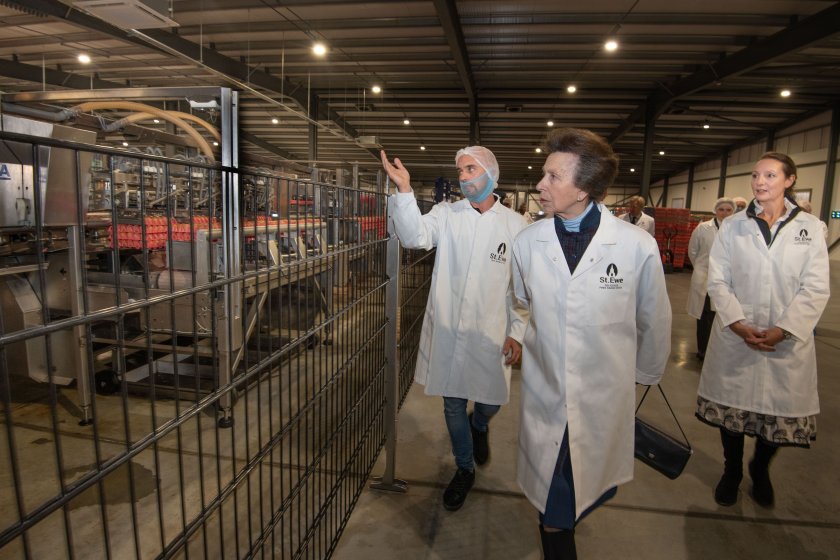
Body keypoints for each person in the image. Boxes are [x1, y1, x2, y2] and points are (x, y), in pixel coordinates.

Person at [511, 128, 672, 559]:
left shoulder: (636, 245)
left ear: (584, 188)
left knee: (586, 484)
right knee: (555, 499)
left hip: (604, 389)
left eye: (553, 177)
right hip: (546, 389)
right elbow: (522, 300)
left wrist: (645, 375)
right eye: (543, 175)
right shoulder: (528, 242)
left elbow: (653, 317)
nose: (540, 186)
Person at [380, 146, 529, 512]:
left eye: (470, 169)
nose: (463, 176)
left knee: (491, 399)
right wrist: (404, 191)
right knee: (451, 403)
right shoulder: (447, 214)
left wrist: (518, 330)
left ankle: (479, 425)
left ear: (491, 174)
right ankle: (464, 469)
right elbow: (415, 236)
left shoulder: (516, 226)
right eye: (459, 170)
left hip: (491, 331)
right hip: (448, 327)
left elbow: (523, 290)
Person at [696, 152, 830, 509]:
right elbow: (719, 280)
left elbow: (815, 288)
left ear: (789, 180)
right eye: (756, 175)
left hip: (783, 341)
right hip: (736, 335)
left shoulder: (811, 228)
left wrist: (783, 330)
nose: (760, 181)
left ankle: (760, 466)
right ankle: (732, 471)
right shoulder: (733, 225)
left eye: (770, 175)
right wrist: (738, 324)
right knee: (733, 413)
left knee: (778, 411)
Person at [686, 197, 735, 360]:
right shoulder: (703, 228)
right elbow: (693, 251)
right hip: (705, 278)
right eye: (722, 210)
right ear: (716, 210)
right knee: (705, 316)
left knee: (723, 316)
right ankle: (703, 350)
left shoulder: (737, 229)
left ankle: (718, 351)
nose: (725, 213)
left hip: (727, 279)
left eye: (729, 210)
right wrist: (701, 268)